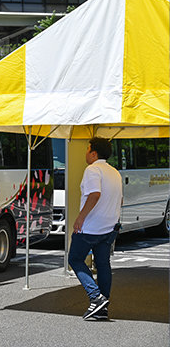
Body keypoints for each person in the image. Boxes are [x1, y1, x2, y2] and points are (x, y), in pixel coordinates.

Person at [68, 137, 122, 320]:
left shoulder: (93, 170)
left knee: (75, 259)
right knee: (103, 264)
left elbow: (94, 194)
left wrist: (80, 218)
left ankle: (95, 297)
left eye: (88, 149)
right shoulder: (115, 172)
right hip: (110, 227)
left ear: (94, 153)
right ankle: (103, 307)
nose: (86, 153)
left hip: (91, 227)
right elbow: (120, 200)